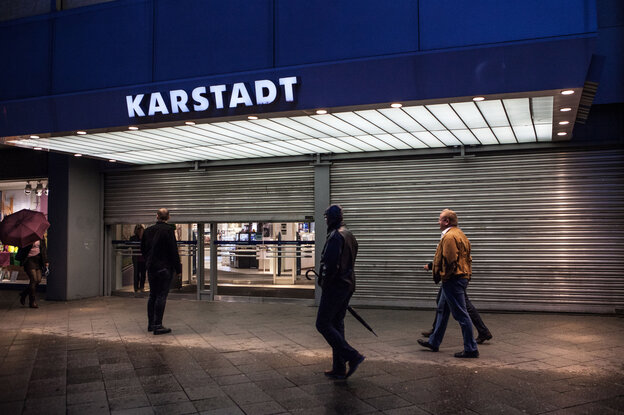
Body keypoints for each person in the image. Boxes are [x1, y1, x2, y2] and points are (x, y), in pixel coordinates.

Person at [418, 209, 479, 358]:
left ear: (446, 221)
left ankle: (471, 348)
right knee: (442, 309)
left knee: (461, 315)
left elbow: (450, 261)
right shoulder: (460, 234)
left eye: (440, 219)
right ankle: (434, 342)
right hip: (458, 278)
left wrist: (444, 276)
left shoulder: (450, 237)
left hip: (453, 280)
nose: (438, 222)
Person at [315, 204, 365, 379]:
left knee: (322, 323)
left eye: (327, 217)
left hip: (336, 286)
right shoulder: (349, 234)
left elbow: (330, 265)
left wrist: (325, 283)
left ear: (332, 218)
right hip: (348, 284)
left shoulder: (336, 236)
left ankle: (352, 355)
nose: (326, 220)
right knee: (336, 324)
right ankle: (339, 367)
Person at [421, 268, 493, 344]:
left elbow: (449, 261)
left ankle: (474, 343)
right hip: (457, 276)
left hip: (454, 278)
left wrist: (432, 266)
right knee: (442, 303)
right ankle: (435, 334)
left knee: (463, 309)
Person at [141, 208, 181, 335]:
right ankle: (158, 325)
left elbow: (143, 249)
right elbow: (173, 251)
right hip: (164, 268)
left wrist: (148, 262)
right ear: (168, 217)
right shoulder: (169, 230)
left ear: (157, 216)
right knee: (161, 296)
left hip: (152, 267)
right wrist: (178, 269)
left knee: (152, 295)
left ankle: (151, 324)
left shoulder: (147, 231)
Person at [17, 236, 48, 308]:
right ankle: (32, 301)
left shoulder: (41, 237)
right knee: (33, 279)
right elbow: (22, 249)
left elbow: (44, 249)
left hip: (38, 260)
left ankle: (24, 294)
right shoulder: (26, 237)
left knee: (38, 280)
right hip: (29, 259)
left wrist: (46, 261)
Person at [130, 224, 147, 293]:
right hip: (136, 258)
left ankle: (142, 287)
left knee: (143, 273)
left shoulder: (145, 238)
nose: (140, 232)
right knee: (136, 273)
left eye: (141, 230)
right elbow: (129, 245)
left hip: (144, 258)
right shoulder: (133, 238)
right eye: (139, 231)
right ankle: (136, 288)